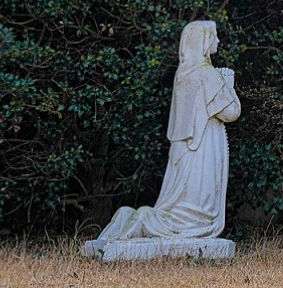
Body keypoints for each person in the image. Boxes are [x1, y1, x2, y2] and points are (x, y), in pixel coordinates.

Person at [93, 20, 242, 242]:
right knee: (194, 212)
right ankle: (146, 221)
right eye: (214, 36)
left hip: (184, 151)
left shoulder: (183, 75)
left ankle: (133, 219)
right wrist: (228, 84)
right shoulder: (206, 74)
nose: (218, 40)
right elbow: (232, 112)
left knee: (181, 205)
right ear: (202, 41)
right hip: (202, 151)